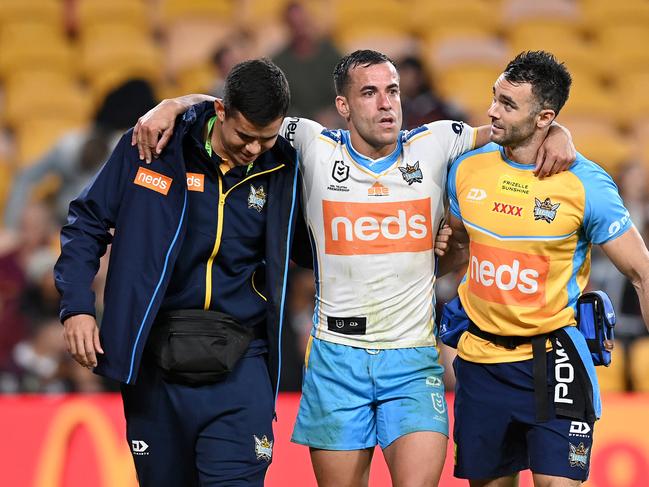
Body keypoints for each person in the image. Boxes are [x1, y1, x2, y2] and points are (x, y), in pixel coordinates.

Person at [132, 49, 575, 487]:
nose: (386, 104)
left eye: (393, 91)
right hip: (335, 359)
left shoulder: (438, 141)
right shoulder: (310, 143)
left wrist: (558, 132)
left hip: (413, 360)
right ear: (343, 106)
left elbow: (515, 129)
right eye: (369, 93)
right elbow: (235, 108)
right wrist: (171, 105)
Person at [54, 59, 301, 486]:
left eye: (266, 138)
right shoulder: (154, 144)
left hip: (242, 362)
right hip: (154, 362)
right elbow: (87, 222)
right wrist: (76, 307)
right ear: (221, 112)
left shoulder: (285, 166)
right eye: (245, 136)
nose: (254, 150)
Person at [446, 51, 649, 486]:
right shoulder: (465, 168)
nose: (491, 111)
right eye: (494, 98)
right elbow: (457, 245)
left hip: (555, 361)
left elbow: (642, 273)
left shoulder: (586, 184)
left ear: (544, 118)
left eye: (507, 104)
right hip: (481, 365)